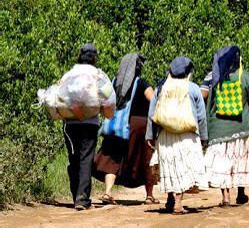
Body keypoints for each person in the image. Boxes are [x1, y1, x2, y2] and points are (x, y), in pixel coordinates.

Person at [146, 56, 209, 214]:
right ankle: (178, 203)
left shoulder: (162, 87)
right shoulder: (193, 88)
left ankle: (169, 199)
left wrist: (150, 135)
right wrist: (203, 137)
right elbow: (201, 116)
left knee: (169, 166)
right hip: (187, 134)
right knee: (183, 167)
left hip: (165, 134)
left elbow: (152, 113)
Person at [204, 45, 249, 207]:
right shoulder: (244, 77)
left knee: (223, 163)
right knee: (240, 160)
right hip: (242, 127)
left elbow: (210, 105)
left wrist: (208, 129)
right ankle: (241, 193)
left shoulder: (216, 79)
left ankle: (226, 197)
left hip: (219, 130)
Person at [93, 53, 157, 205]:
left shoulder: (115, 83)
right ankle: (149, 196)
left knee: (112, 158)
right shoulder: (141, 83)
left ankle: (108, 192)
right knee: (145, 158)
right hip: (138, 126)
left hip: (116, 126)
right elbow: (153, 99)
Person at [63, 44, 115, 210]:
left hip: (70, 124)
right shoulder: (98, 74)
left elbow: (60, 95)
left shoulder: (69, 74)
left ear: (79, 56)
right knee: (86, 160)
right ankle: (82, 199)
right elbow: (108, 99)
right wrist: (107, 114)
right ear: (94, 58)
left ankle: (75, 196)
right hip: (90, 124)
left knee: (73, 159)